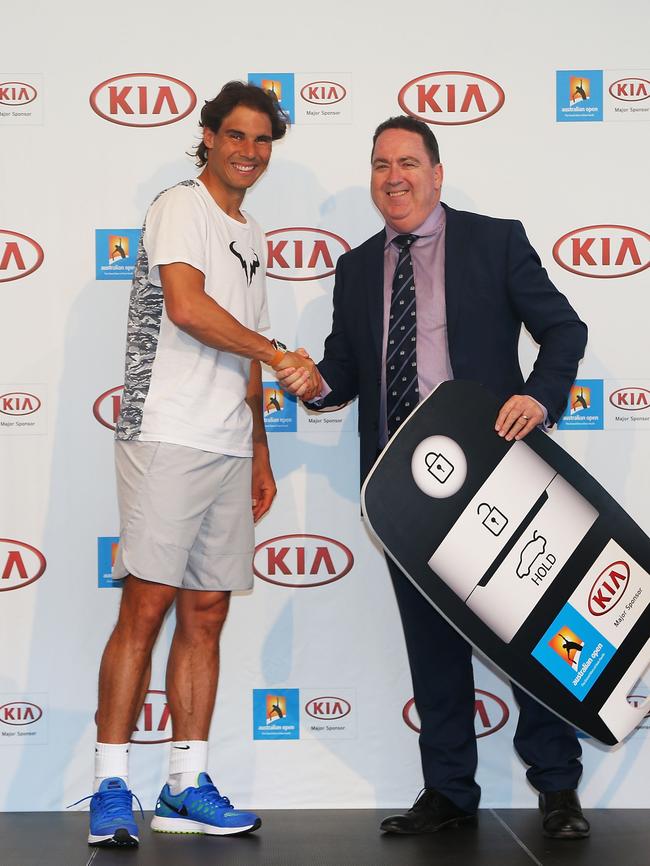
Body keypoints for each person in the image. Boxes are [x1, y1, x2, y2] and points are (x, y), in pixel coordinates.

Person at [279, 115, 590, 839]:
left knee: (527, 632)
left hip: (496, 476)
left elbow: (564, 330)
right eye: (381, 164)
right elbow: (344, 374)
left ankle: (557, 788)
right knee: (432, 643)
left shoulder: (495, 239)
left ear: (437, 172)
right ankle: (449, 790)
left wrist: (539, 396)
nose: (395, 177)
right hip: (401, 494)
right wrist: (312, 383)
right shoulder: (356, 267)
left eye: (409, 162)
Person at [84, 81, 320, 849]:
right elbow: (187, 307)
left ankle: (185, 784)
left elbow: (247, 342)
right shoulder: (178, 206)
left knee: (207, 613)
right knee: (145, 609)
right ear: (209, 137)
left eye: (263, 142)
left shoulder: (251, 233)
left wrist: (260, 447)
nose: (250, 152)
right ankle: (110, 785)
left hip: (225, 442)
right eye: (237, 137)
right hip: (165, 433)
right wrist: (279, 353)